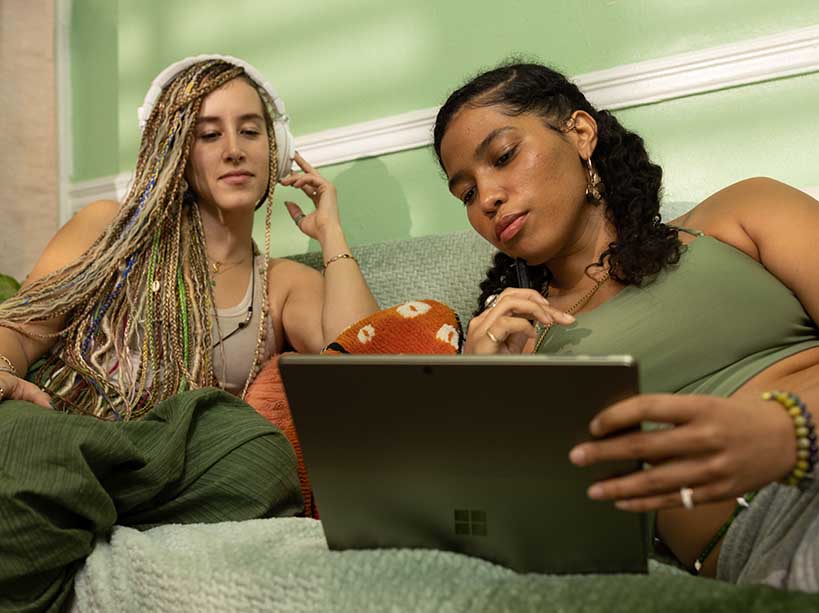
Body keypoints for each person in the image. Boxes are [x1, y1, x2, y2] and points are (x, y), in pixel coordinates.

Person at [0, 55, 378, 611]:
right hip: (63, 424)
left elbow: (364, 365)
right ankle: (60, 484)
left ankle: (68, 501)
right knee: (23, 439)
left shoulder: (284, 283)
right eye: (209, 133)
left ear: (274, 147)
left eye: (251, 130)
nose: (233, 148)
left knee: (259, 458)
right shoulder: (111, 227)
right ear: (176, 149)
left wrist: (332, 234)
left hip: (166, 460)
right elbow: (22, 328)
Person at [433, 62, 819, 590]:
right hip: (770, 538)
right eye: (467, 194)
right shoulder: (518, 349)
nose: (488, 198)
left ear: (580, 134)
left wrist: (791, 431)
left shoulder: (741, 214)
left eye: (503, 157)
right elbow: (495, 529)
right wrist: (483, 392)